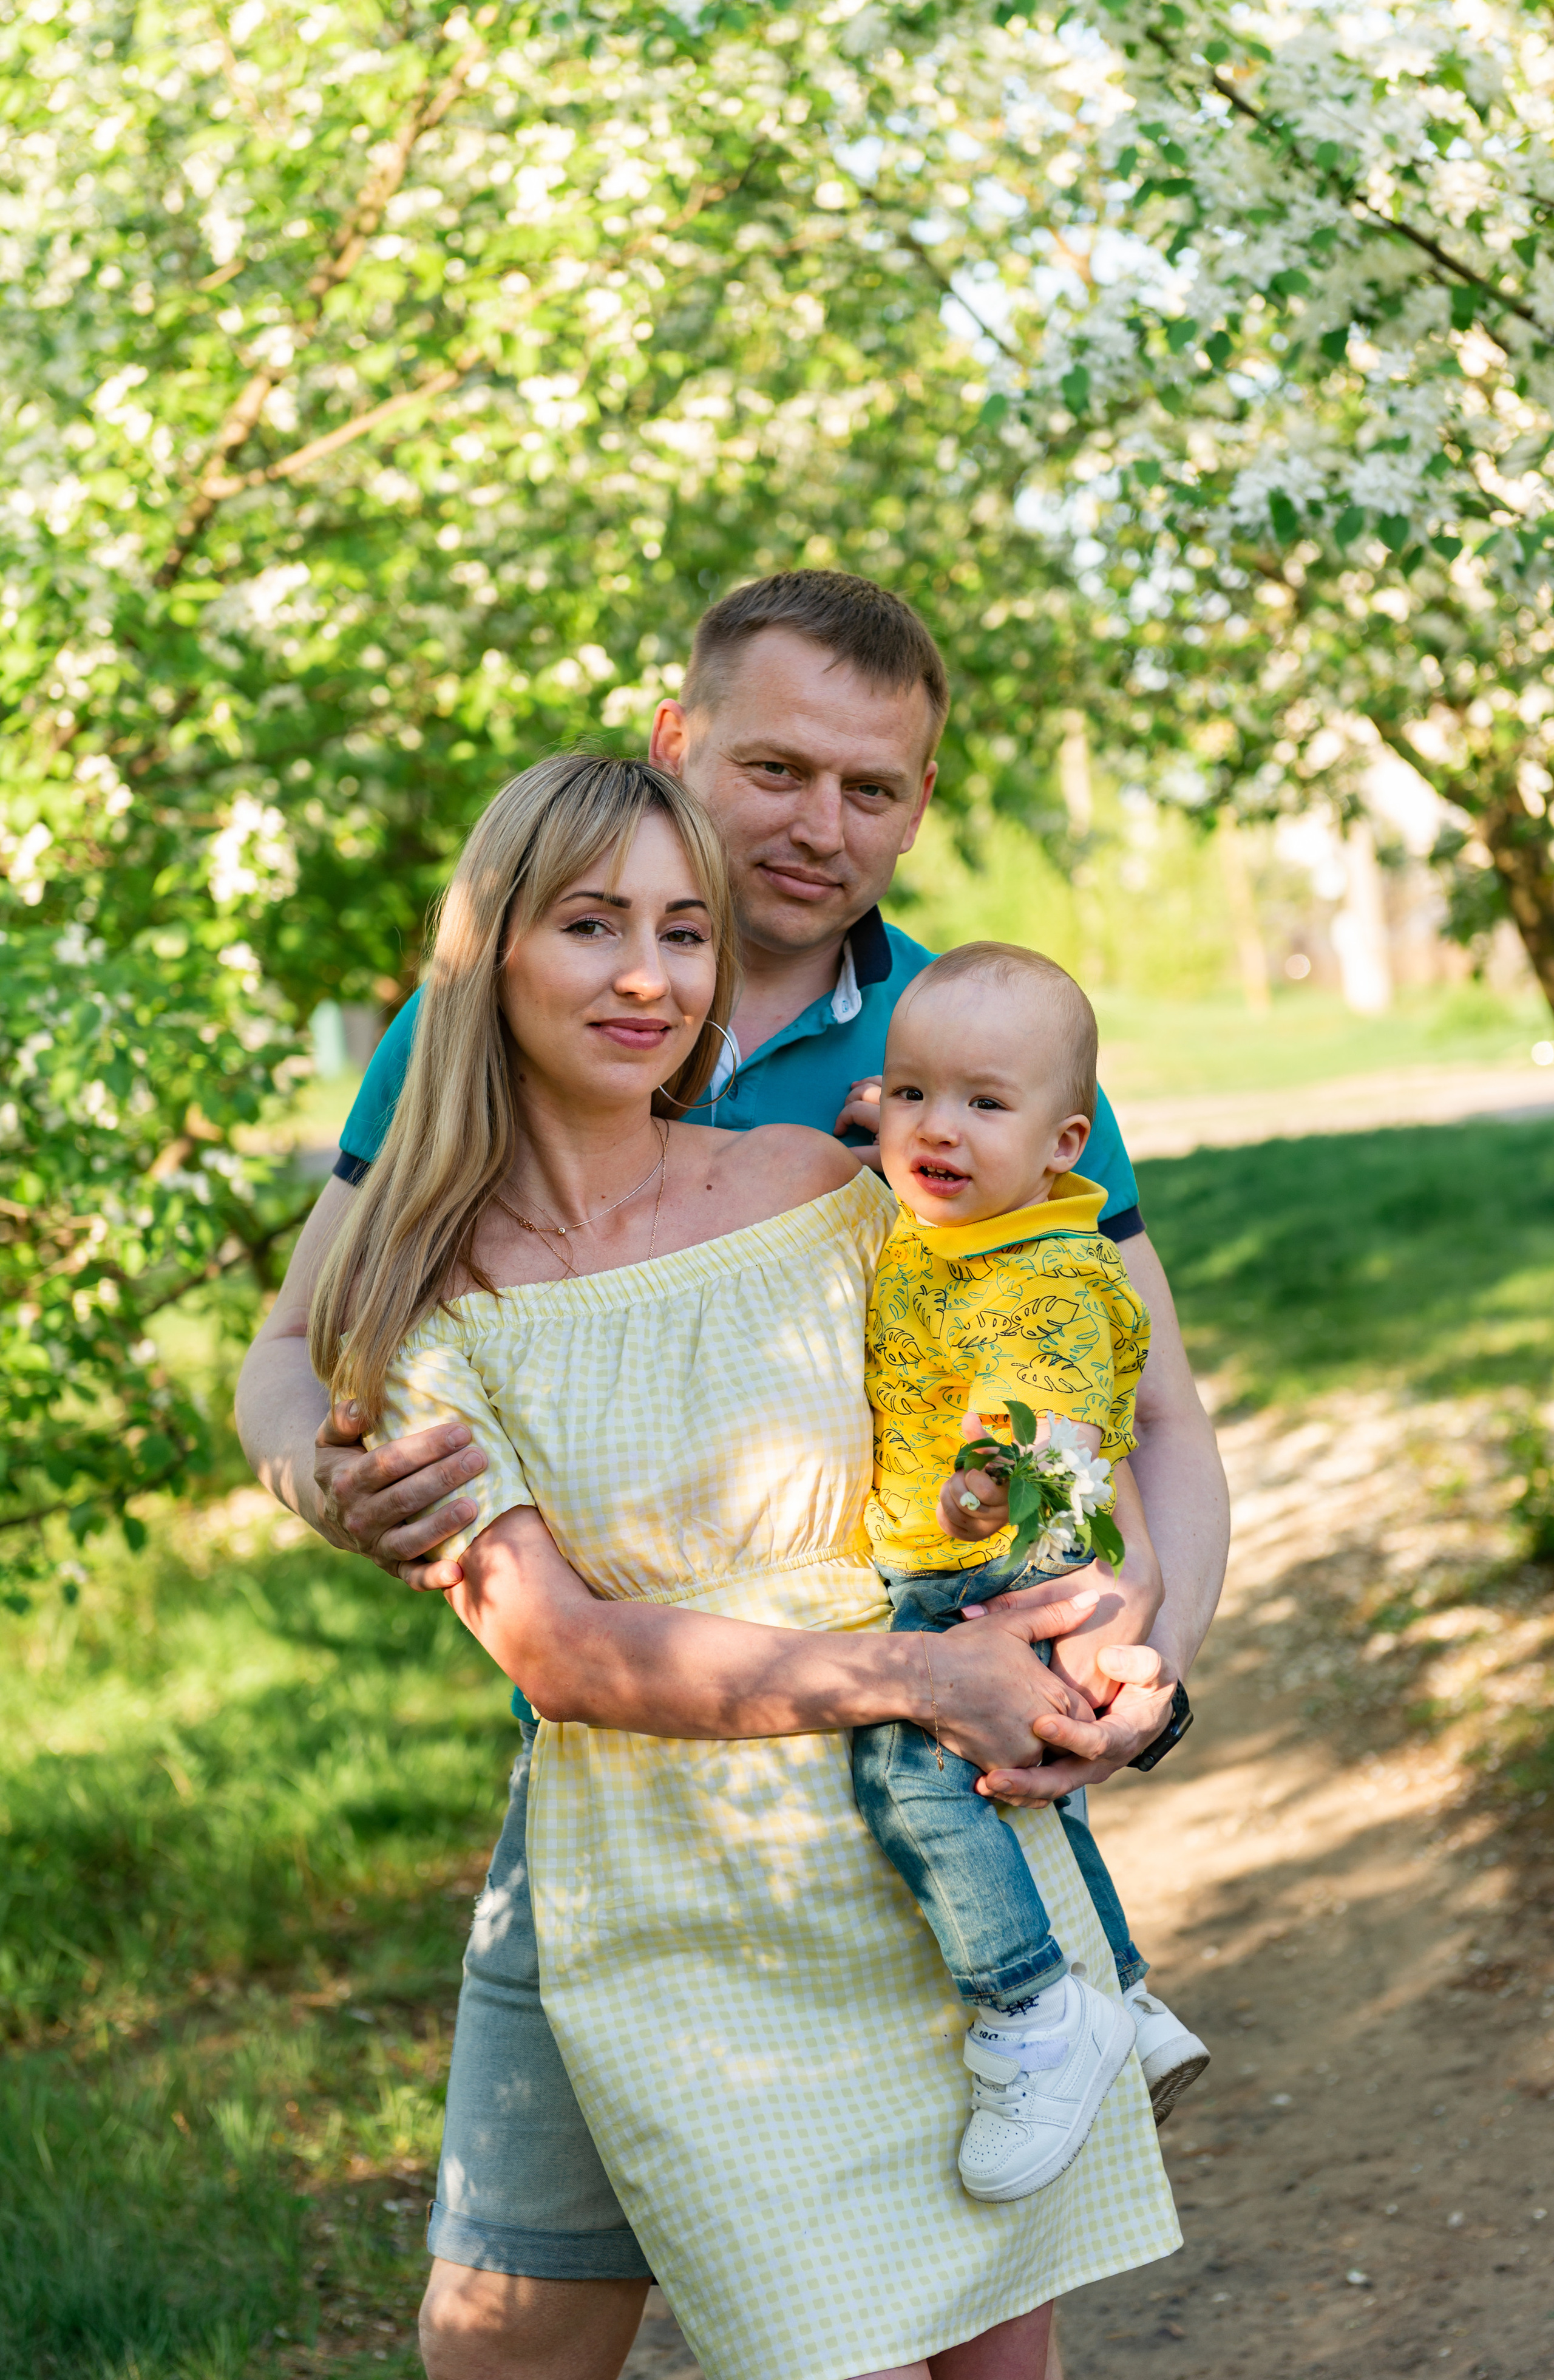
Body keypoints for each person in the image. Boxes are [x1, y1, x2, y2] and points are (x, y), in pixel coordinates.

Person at [236, 571, 1228, 2379]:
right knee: (512, 2329)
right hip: (619, 1807)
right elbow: (313, 1345)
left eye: (876, 789)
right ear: (683, 743)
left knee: (952, 2318)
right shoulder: (466, 1064)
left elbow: (1123, 1402)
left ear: (924, 800)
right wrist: (325, 1478)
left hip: (887, 1782)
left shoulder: (956, 1057)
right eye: (779, 770)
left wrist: (1128, 1657)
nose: (821, 828)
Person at [852, 942, 1210, 2209]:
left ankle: (1031, 2009)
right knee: (1029, 1802)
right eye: (906, 1093)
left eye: (980, 1105)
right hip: (1011, 1553)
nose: (932, 1130)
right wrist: (895, 1126)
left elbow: (1060, 1416)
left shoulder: (1044, 1268)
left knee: (914, 1772)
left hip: (988, 1564)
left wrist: (987, 1486)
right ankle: (1123, 1993)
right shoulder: (973, 1216)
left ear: (1066, 1142)